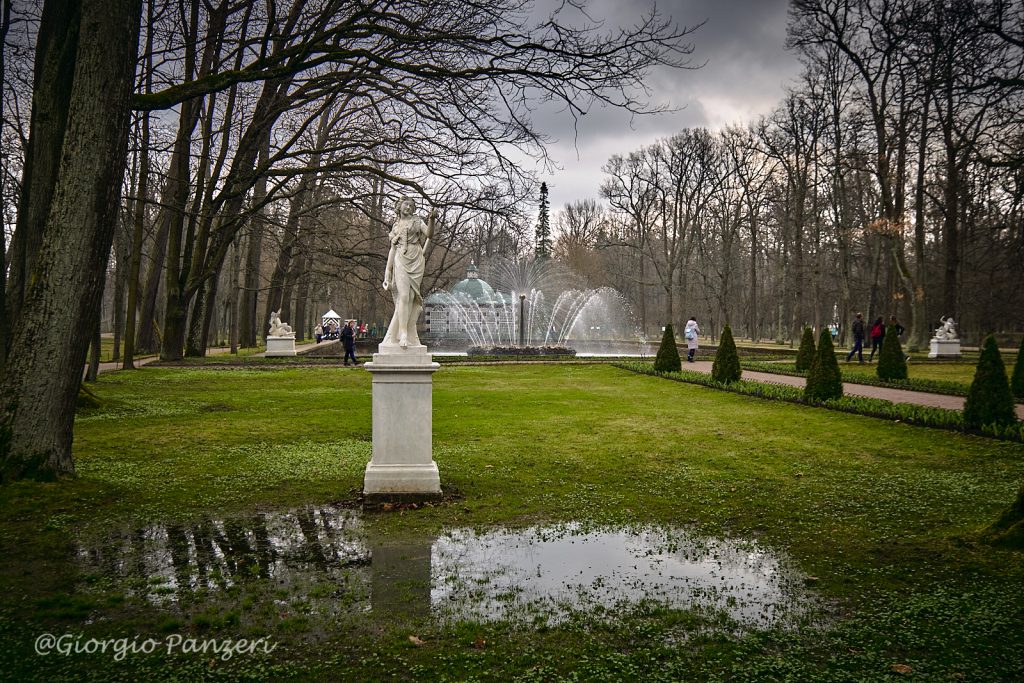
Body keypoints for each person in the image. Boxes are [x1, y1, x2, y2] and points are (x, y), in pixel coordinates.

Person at [382, 197, 437, 348]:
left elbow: (430, 234)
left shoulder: (418, 221)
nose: (409, 207)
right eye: (406, 204)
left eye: (412, 205)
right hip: (400, 258)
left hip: (416, 259)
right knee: (404, 296)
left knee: (412, 298)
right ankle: (403, 333)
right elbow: (392, 249)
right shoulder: (395, 227)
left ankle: (407, 333)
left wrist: (431, 220)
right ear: (399, 206)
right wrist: (388, 271)